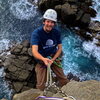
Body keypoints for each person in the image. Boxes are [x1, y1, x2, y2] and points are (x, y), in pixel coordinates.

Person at [31, 9, 69, 90]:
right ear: (44, 22)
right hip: (42, 60)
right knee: (41, 86)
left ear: (54, 24)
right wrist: (43, 59)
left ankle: (67, 92)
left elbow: (59, 48)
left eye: (52, 22)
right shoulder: (36, 33)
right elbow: (34, 51)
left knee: (63, 79)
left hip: (53, 57)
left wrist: (53, 59)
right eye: (48, 21)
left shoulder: (56, 32)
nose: (49, 24)